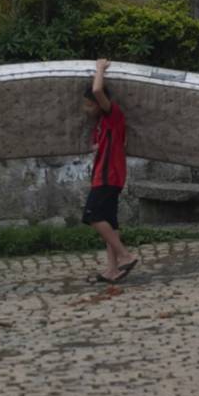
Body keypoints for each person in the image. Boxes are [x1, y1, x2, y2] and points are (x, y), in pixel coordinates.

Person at [81, 59, 138, 284]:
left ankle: (125, 255)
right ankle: (112, 270)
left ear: (99, 103)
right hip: (106, 176)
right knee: (110, 223)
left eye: (88, 104)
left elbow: (97, 89)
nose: (85, 109)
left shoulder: (113, 115)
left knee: (93, 217)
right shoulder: (101, 123)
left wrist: (100, 68)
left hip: (109, 176)